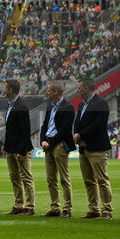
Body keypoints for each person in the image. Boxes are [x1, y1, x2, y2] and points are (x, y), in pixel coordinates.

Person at [73, 80, 112, 219]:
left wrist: (81, 135)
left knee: (102, 180)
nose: (78, 91)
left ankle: (107, 209)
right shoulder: (82, 104)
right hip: (83, 148)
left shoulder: (101, 103)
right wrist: (77, 137)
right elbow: (77, 123)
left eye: (80, 88)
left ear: (87, 88)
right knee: (88, 180)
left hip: (97, 148)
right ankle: (93, 209)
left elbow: (99, 124)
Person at [39, 82, 74, 217]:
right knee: (51, 178)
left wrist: (51, 143)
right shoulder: (50, 106)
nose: (47, 93)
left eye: (49, 91)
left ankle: (67, 208)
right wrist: (42, 139)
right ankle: (55, 207)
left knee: (64, 178)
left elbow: (65, 130)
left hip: (59, 144)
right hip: (48, 143)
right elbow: (44, 125)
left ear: (55, 92)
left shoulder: (68, 107)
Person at [2, 80, 34, 215]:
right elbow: (10, 129)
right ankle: (18, 204)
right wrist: (6, 145)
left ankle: (30, 206)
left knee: (26, 177)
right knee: (14, 177)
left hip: (20, 149)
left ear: (10, 89)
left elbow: (25, 130)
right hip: (11, 148)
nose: (4, 89)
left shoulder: (21, 106)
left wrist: (22, 150)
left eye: (5, 87)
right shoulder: (11, 105)